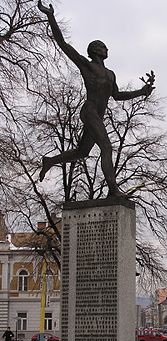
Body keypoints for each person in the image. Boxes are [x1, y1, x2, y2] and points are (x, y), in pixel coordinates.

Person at [37, 1, 155, 197]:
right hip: (89, 111)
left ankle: (49, 161)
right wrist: (50, 17)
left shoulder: (110, 74)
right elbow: (63, 45)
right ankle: (113, 191)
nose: (106, 48)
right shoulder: (88, 66)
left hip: (98, 117)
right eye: (102, 46)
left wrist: (141, 92)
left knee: (81, 153)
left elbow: (117, 96)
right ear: (94, 50)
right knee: (106, 147)